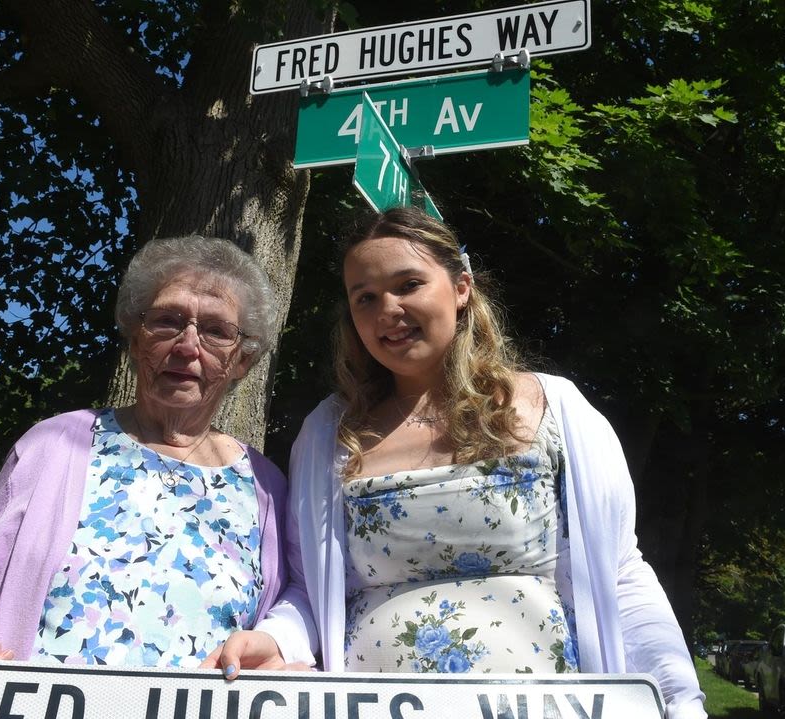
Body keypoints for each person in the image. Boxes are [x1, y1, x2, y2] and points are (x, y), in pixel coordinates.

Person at [223, 208, 706, 719]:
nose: (388, 309)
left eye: (408, 284)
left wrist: (679, 700)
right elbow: (308, 586)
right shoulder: (329, 434)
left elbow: (621, 572)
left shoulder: (556, 408)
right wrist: (276, 640)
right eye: (365, 297)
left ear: (461, 288)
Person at [0, 235, 313, 670]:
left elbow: (290, 617)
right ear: (136, 340)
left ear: (241, 362)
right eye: (167, 321)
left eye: (217, 331)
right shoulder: (54, 445)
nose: (187, 346)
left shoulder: (266, 484)